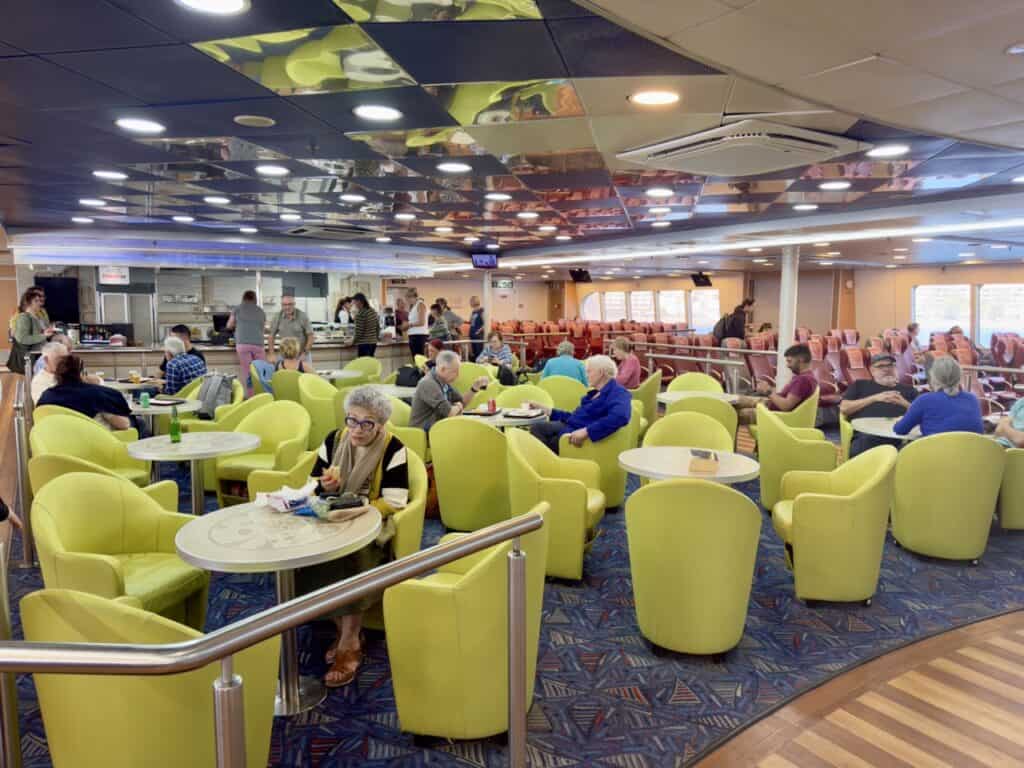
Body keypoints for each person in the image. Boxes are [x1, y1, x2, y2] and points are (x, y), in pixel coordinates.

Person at [295, 386, 410, 687]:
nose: (357, 429)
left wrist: (359, 511)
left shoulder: (394, 449)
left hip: (370, 524)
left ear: (380, 424)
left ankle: (349, 643)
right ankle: (343, 629)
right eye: (352, 420)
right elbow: (313, 484)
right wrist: (327, 487)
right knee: (306, 554)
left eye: (366, 423)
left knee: (349, 557)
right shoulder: (334, 440)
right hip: (332, 517)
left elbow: (395, 500)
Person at [528, 355, 632, 454]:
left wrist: (587, 431)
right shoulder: (595, 393)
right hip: (569, 427)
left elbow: (620, 416)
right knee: (537, 428)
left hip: (576, 437)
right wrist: (546, 409)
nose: (586, 375)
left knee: (537, 434)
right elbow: (573, 417)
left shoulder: (618, 392)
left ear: (601, 373)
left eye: (589, 371)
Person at [840, 353, 918, 457]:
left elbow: (922, 415)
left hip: (901, 437)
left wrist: (904, 402)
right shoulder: (860, 385)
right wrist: (874, 398)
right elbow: (844, 408)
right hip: (868, 435)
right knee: (863, 445)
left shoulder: (909, 390)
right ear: (872, 371)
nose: (887, 369)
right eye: (881, 366)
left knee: (920, 446)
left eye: (890, 365)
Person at [894, 356, 983, 437]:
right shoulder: (972, 399)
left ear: (933, 378)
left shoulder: (924, 400)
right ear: (959, 377)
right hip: (971, 450)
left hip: (936, 450)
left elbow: (900, 430)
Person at [38, 354, 132, 431]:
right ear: (81, 374)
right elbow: (124, 424)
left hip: (56, 445)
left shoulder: (46, 396)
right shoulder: (96, 395)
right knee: (137, 423)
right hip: (97, 444)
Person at [735, 344, 818, 425]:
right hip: (771, 406)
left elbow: (785, 406)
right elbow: (786, 397)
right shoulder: (809, 377)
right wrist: (769, 389)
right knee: (737, 400)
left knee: (733, 414)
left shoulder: (803, 380)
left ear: (801, 360)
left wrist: (768, 391)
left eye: (790, 361)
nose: (788, 365)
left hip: (776, 416)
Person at [409, 350, 489, 432]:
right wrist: (458, 406)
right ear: (443, 369)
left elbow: (462, 402)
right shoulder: (428, 383)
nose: (458, 375)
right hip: (423, 430)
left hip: (438, 426)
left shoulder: (443, 381)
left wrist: (474, 388)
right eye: (455, 371)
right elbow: (450, 413)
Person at [226, 290, 266, 395]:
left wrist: (238, 325)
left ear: (243, 298)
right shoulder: (260, 311)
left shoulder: (237, 309)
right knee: (261, 371)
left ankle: (252, 396)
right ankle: (263, 395)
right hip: (258, 344)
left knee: (248, 372)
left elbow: (229, 325)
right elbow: (262, 329)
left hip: (243, 344)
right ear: (255, 299)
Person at [10, 287, 56, 374]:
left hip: (40, 354)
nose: (40, 303)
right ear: (28, 302)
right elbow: (22, 338)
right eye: (36, 300)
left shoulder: (37, 316)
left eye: (40, 299)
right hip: (33, 356)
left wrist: (46, 332)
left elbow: (38, 333)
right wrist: (44, 336)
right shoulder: (23, 317)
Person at [269, 294, 314, 363]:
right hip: (284, 354)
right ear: (281, 305)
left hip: (301, 353)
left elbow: (311, 336)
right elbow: (271, 336)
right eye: (284, 304)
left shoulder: (303, 316)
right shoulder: (277, 317)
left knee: (306, 370)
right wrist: (272, 354)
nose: (287, 307)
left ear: (294, 304)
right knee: (281, 370)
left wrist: (305, 353)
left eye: (290, 304)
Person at [351, 293, 380, 358]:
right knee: (369, 362)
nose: (354, 305)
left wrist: (352, 341)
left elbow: (359, 332)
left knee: (363, 363)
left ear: (359, 301)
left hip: (364, 344)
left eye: (354, 302)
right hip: (373, 343)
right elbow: (377, 327)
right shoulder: (372, 311)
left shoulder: (360, 314)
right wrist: (376, 338)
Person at [404, 289, 428, 358]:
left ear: (412, 297)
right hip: (413, 335)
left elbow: (422, 322)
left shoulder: (420, 305)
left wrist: (409, 324)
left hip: (419, 335)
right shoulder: (413, 306)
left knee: (419, 359)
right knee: (415, 358)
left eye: (407, 298)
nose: (407, 301)